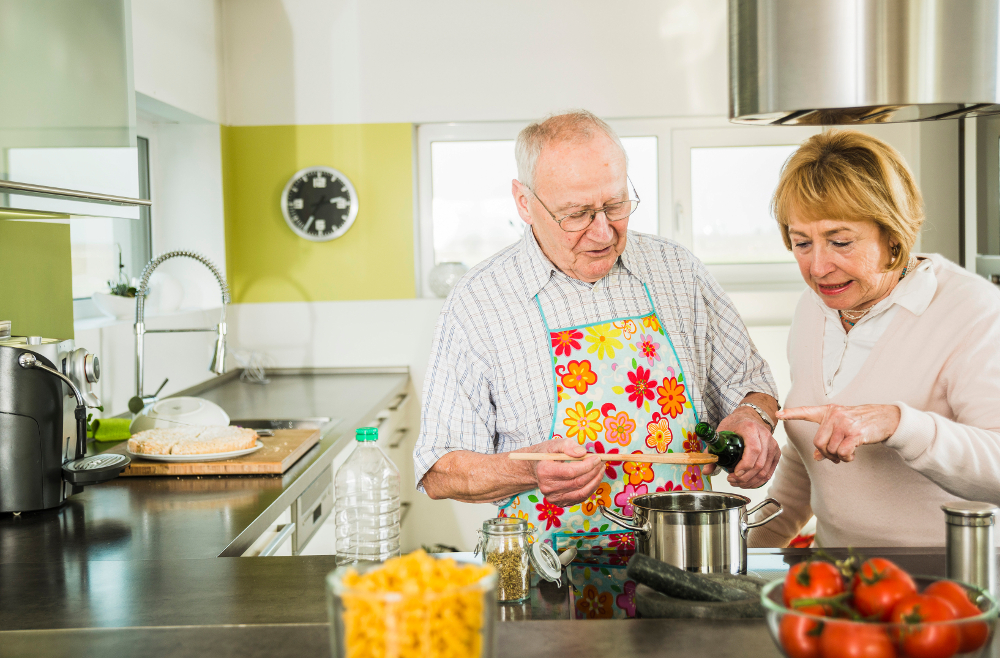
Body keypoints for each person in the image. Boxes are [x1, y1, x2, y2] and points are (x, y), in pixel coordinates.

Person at [414, 110, 781, 560]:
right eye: (577, 214)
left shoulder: (676, 271)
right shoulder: (480, 301)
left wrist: (751, 418)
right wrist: (529, 472)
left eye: (616, 205)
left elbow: (754, 384)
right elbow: (440, 470)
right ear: (524, 202)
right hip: (546, 576)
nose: (603, 231)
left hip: (682, 559)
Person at [748, 130, 1000, 548]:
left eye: (840, 241)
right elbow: (808, 459)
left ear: (893, 234)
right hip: (837, 581)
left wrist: (900, 424)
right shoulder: (815, 307)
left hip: (949, 584)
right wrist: (743, 557)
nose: (818, 267)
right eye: (801, 243)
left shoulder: (975, 311)